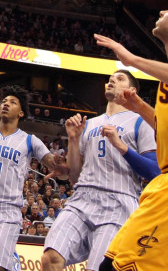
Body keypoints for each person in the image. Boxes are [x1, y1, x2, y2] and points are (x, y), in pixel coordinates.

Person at [41, 70, 158, 271]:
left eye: (120, 79)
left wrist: (122, 147)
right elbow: (76, 178)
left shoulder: (141, 122)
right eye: (111, 78)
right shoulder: (90, 123)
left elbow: (154, 171)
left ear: (132, 91)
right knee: (50, 258)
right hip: (82, 198)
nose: (112, 80)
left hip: (119, 201)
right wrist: (74, 139)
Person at [0, 93, 69, 271]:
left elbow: (57, 169)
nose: (6, 104)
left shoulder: (30, 140)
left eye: (12, 102)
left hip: (8, 211)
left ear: (21, 113)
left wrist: (62, 170)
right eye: (4, 101)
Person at [93, 31, 168, 271]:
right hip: (159, 191)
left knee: (123, 266)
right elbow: (163, 126)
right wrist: (139, 107)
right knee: (112, 263)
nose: (162, 10)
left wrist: (131, 59)